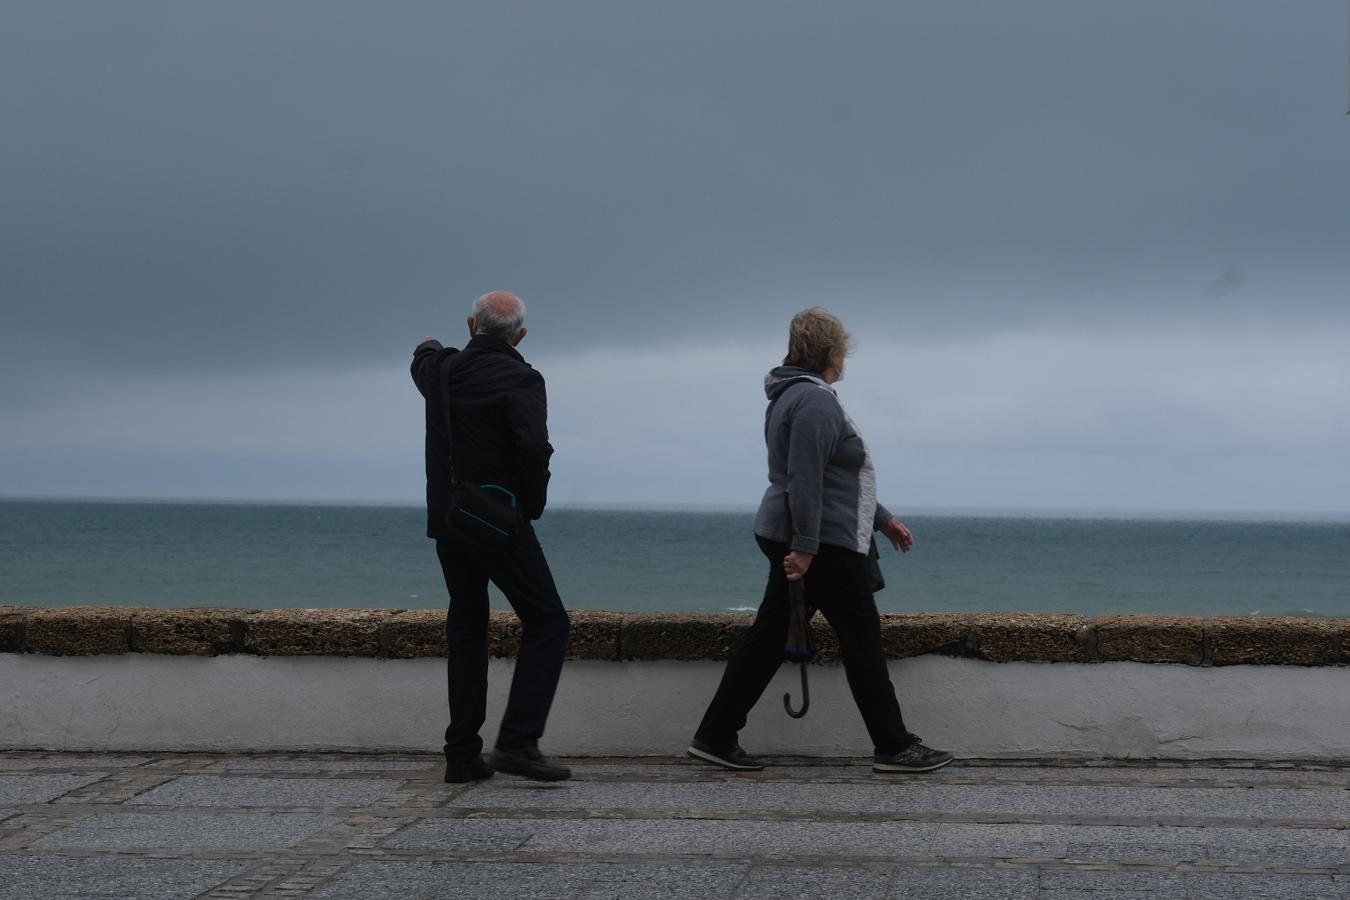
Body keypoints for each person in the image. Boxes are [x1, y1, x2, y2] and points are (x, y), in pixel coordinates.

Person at [688, 307, 954, 775]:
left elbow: (835, 476)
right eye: (843, 350)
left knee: (771, 636)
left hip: (803, 534)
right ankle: (893, 746)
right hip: (822, 543)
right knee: (861, 638)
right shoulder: (814, 402)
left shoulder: (793, 395)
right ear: (834, 353)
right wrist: (807, 549)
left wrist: (882, 519)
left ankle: (715, 735)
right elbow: (805, 479)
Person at [411, 291, 572, 783]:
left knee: (466, 629)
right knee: (549, 623)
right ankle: (519, 743)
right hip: (500, 523)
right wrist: (531, 508)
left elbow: (423, 360)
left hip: (451, 522)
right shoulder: (522, 378)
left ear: (471, 325)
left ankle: (461, 754)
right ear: (520, 336)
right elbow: (534, 448)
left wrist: (428, 344)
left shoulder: (441, 372)